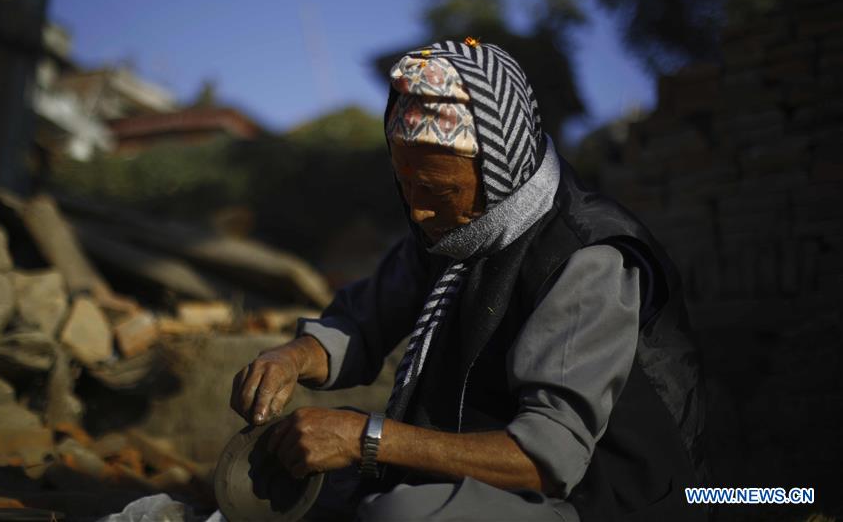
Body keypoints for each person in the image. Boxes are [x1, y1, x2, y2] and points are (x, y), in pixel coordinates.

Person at [230, 39, 709, 521]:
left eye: (438, 189)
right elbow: (364, 321)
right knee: (308, 491)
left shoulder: (587, 258)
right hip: (487, 469)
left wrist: (366, 438)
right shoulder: (449, 231)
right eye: (405, 181)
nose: (416, 207)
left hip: (596, 498)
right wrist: (292, 357)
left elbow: (546, 459)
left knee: (398, 516)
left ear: (499, 168)